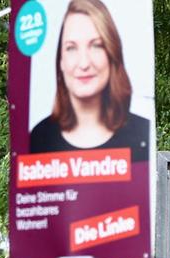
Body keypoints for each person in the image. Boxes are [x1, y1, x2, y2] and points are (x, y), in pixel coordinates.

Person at [28, 0, 150, 165]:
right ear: (60, 61)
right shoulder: (39, 137)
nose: (84, 63)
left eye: (96, 46)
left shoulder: (142, 134)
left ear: (112, 54)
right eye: (71, 48)